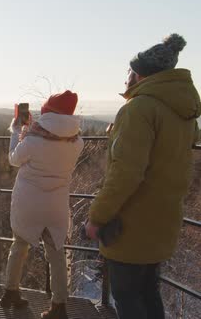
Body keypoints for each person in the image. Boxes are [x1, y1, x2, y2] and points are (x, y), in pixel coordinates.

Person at [85, 34, 200, 319]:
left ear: (138, 74)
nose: (126, 76)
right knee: (148, 292)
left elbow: (126, 173)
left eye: (129, 71)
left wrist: (97, 218)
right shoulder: (182, 112)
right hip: (163, 220)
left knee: (126, 296)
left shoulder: (139, 109)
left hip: (132, 225)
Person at [1, 91, 84, 319]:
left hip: (29, 202)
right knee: (56, 252)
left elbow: (13, 159)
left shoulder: (33, 139)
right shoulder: (77, 142)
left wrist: (17, 130)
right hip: (56, 205)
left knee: (19, 245)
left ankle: (11, 291)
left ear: (47, 111)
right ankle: (59, 305)